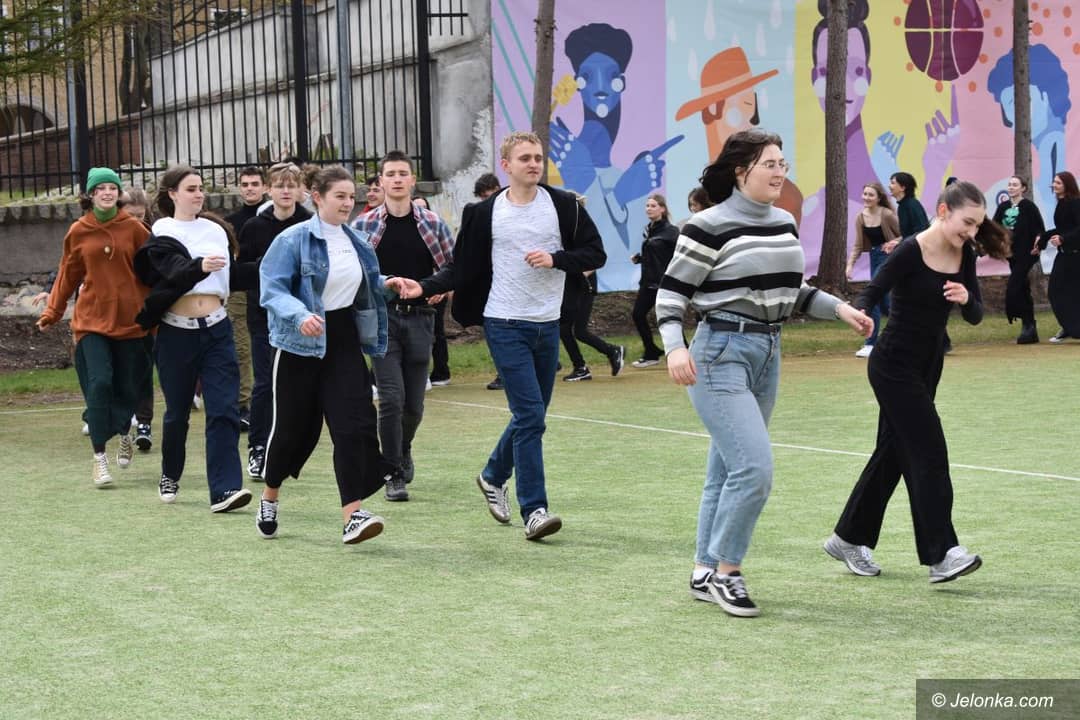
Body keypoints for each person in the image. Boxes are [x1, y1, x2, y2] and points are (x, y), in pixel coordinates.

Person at [657, 130, 873, 617]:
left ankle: (703, 569)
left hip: (769, 353)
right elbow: (671, 294)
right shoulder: (706, 226)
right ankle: (727, 572)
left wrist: (841, 309)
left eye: (782, 163)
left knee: (726, 470)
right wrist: (674, 347)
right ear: (741, 172)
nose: (780, 172)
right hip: (719, 352)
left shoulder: (783, 221)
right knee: (753, 469)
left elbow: (792, 291)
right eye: (770, 164)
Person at [406, 131, 606, 541]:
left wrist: (556, 259)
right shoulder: (484, 213)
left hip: (548, 323)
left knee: (531, 415)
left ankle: (493, 475)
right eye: (525, 158)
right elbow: (460, 267)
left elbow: (595, 253)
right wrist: (423, 287)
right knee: (531, 416)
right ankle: (535, 510)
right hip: (503, 322)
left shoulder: (564, 206)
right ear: (506, 165)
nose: (533, 164)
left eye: (538, 157)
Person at [824, 180, 1010, 585]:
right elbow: (873, 290)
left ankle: (847, 538)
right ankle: (942, 554)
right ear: (943, 211)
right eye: (967, 223)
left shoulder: (965, 254)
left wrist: (967, 298)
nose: (972, 232)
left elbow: (976, 315)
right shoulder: (911, 249)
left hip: (928, 367)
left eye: (977, 225)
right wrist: (859, 313)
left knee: (892, 454)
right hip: (893, 366)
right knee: (929, 452)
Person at [257, 165, 418, 543]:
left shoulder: (358, 240)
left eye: (351, 197)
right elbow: (272, 289)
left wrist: (389, 284)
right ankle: (270, 495)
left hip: (344, 340)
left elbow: (363, 284)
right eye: (340, 196)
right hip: (299, 344)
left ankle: (352, 515)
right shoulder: (292, 239)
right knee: (292, 431)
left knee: (354, 426)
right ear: (317, 197)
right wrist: (300, 316)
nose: (348, 203)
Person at [134, 164, 254, 512]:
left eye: (201, 188)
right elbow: (171, 270)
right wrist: (198, 266)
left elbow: (231, 276)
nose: (199, 194)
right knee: (177, 414)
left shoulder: (216, 230)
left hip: (217, 330)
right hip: (176, 335)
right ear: (172, 194)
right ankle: (170, 473)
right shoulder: (162, 231)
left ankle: (225, 490)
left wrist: (273, 268)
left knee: (224, 410)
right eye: (191, 189)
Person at [37, 167, 152, 487]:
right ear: (90, 195)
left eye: (112, 188)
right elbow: (67, 274)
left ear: (118, 193)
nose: (107, 193)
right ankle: (99, 457)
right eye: (100, 188)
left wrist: (157, 309)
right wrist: (52, 312)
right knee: (99, 382)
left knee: (128, 388)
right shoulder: (78, 231)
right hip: (91, 322)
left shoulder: (135, 229)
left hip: (131, 322)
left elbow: (154, 270)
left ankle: (125, 432)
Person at [351, 151, 455, 502]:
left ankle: (403, 447)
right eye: (390, 174)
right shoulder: (363, 226)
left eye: (402, 174)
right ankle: (392, 471)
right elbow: (351, 271)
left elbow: (453, 267)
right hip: (382, 320)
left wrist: (436, 287)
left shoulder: (433, 223)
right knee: (391, 399)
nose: (396, 179)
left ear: (412, 181)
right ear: (380, 182)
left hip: (422, 318)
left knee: (414, 406)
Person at [237, 162, 313, 479]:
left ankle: (287, 448)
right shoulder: (254, 227)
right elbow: (240, 273)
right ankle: (258, 448)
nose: (285, 191)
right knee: (265, 383)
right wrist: (271, 268)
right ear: (269, 189)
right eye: (280, 185)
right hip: (263, 317)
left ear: (300, 190)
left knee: (298, 386)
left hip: (303, 317)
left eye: (291, 185)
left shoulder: (310, 224)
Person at [559, 191, 624, 382]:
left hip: (584, 285)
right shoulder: (566, 230)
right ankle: (582, 366)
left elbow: (595, 259)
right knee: (565, 328)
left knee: (577, 330)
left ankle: (610, 353)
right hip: (573, 285)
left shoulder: (583, 229)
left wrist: (579, 275)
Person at [224, 165, 266, 431]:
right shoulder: (230, 222)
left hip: (270, 287)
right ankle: (243, 404)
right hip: (240, 290)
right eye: (245, 184)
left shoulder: (273, 216)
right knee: (241, 346)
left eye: (255, 184)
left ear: (264, 187)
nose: (250, 188)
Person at [119, 187, 157, 451]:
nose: (135, 221)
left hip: (145, 311)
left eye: (139, 215)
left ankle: (144, 423)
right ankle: (118, 418)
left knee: (144, 367)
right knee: (119, 368)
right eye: (129, 215)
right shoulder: (110, 235)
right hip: (116, 312)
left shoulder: (152, 237)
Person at [846, 182, 901, 357]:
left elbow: (906, 234)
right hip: (874, 257)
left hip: (889, 258)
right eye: (865, 194)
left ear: (879, 198)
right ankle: (901, 336)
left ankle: (871, 343)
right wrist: (850, 265)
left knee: (873, 297)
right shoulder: (860, 217)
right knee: (885, 302)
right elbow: (858, 245)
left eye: (871, 195)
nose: (867, 198)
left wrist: (894, 242)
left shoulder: (887, 215)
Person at [992, 176, 1045, 344]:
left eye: (1015, 185)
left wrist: (1038, 241)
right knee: (1023, 287)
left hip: (1027, 253)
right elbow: (994, 227)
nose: (1011, 187)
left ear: (1023, 188)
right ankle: (1029, 327)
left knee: (1014, 286)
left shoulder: (1029, 207)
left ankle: (1021, 318)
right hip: (1011, 254)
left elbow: (1039, 229)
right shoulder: (1003, 207)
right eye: (1009, 185)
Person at [630, 194, 679, 368]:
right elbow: (655, 254)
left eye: (653, 206)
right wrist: (640, 259)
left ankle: (683, 351)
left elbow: (677, 256)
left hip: (664, 283)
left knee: (668, 317)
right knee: (638, 315)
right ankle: (651, 352)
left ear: (662, 209)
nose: (649, 209)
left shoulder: (671, 231)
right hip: (648, 282)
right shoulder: (649, 229)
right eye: (647, 206)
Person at [470, 173, 508, 391]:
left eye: (488, 196)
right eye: (482, 198)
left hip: (509, 283)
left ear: (497, 188)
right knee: (494, 330)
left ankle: (505, 373)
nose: (486, 202)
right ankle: (503, 372)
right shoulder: (482, 216)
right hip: (492, 283)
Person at [1039, 171, 1080, 343]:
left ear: (1067, 185)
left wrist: (1063, 239)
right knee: (1055, 292)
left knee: (1072, 294)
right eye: (1054, 182)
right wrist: (1042, 239)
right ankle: (1069, 327)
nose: (1053, 185)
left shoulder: (1076, 203)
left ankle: (1072, 328)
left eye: (1058, 183)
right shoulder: (1061, 203)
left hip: (1075, 256)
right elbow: (1062, 228)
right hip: (1064, 255)